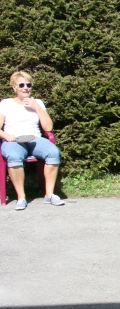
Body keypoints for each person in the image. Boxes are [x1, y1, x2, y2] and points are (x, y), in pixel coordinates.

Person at [0, 71, 64, 210]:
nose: (25, 88)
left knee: (53, 152)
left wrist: (37, 107)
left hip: (35, 138)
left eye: (28, 85)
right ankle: (21, 197)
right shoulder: (6, 103)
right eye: (21, 85)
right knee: (14, 156)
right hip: (13, 139)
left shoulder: (38, 103)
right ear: (14, 88)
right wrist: (5, 135)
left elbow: (48, 127)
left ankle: (49, 194)